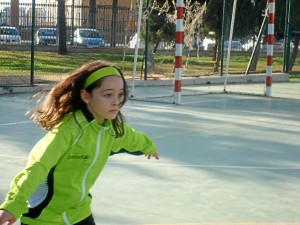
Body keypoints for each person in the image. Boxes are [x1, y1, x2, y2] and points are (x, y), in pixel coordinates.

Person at [0, 60, 159, 225]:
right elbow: (37, 167)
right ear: (85, 96)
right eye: (107, 95)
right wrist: (13, 205)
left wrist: (149, 146)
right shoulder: (68, 130)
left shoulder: (110, 129)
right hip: (44, 217)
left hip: (79, 213)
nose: (116, 101)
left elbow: (131, 138)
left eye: (120, 94)